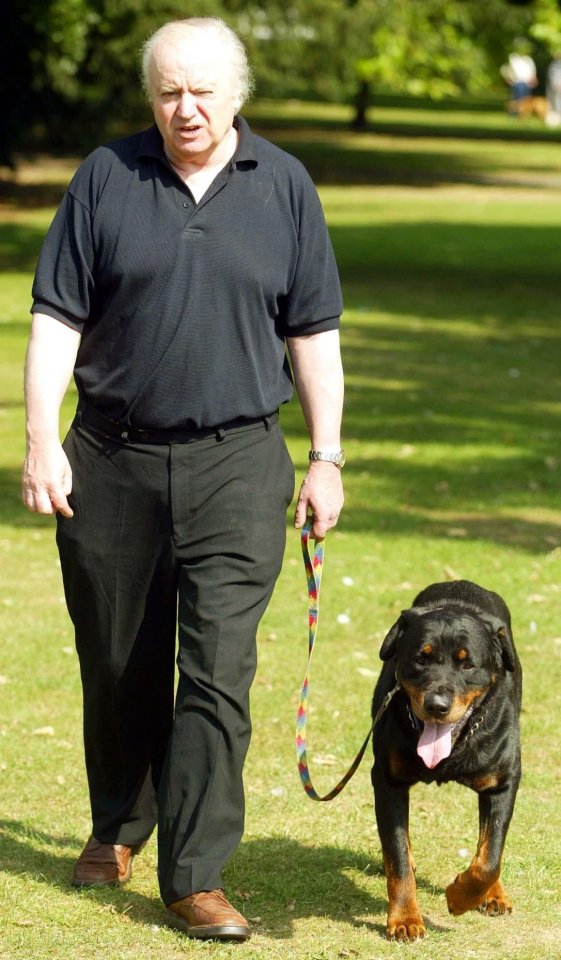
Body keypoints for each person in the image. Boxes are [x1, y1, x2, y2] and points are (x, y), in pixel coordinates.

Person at [22, 17, 344, 942]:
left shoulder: (283, 185)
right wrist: (41, 440)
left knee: (216, 674)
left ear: (237, 94)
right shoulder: (105, 177)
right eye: (168, 91)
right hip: (112, 459)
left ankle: (194, 872)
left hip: (239, 460)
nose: (185, 108)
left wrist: (325, 456)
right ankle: (119, 822)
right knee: (118, 658)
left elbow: (312, 334)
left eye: (202, 90)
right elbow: (56, 320)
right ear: (150, 98)